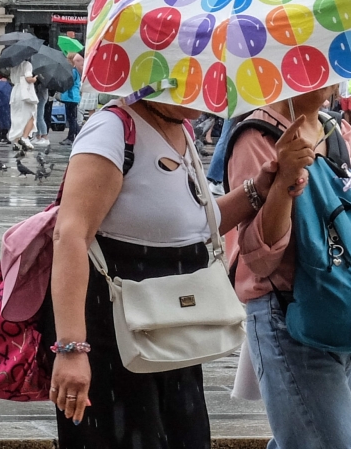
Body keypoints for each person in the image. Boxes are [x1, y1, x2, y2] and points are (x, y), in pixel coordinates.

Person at [44, 95, 309, 448]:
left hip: (171, 333)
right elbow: (70, 236)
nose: (206, 90)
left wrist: (262, 186)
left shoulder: (180, 128)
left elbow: (194, 225)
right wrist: (72, 351)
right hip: (115, 337)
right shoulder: (112, 129)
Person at [225, 85, 351, 449]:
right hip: (289, 313)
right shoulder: (257, 137)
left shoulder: (338, 129)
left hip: (346, 306)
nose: (334, 78)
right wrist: (283, 178)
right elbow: (260, 258)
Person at [7, 58, 38, 150]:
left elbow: (12, 79)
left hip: (15, 91)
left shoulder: (13, 66)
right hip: (25, 92)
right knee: (31, 115)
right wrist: (34, 79)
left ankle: (17, 141)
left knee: (17, 117)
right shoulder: (27, 64)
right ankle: (25, 137)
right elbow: (28, 78)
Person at [59, 52, 83, 144]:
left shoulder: (72, 71)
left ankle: (71, 137)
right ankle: (79, 134)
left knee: (71, 118)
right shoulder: (76, 71)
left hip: (70, 97)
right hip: (73, 97)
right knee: (72, 118)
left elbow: (69, 83)